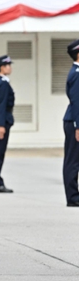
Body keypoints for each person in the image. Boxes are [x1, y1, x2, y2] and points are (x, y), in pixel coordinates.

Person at [0, 55, 16, 194]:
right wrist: (1, 125)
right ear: (1, 67)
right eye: (7, 65)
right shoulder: (3, 84)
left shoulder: (2, 82)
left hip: (2, 120)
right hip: (1, 121)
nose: (10, 67)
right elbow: (1, 105)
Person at [63, 39, 79, 207]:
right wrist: (77, 126)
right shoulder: (76, 74)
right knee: (72, 160)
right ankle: (73, 196)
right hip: (74, 121)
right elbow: (76, 102)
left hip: (75, 120)